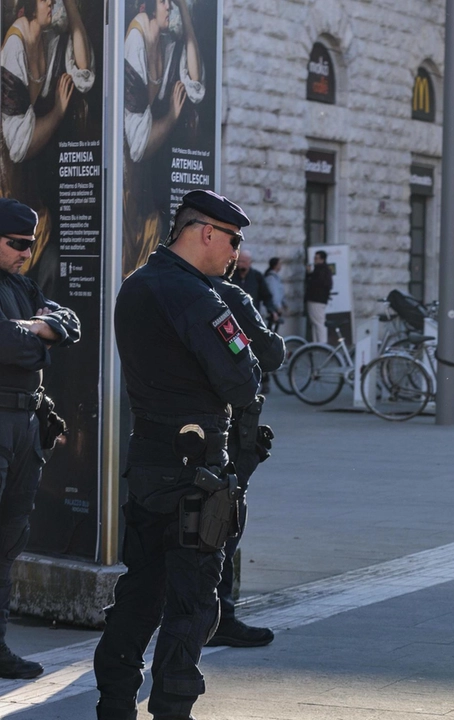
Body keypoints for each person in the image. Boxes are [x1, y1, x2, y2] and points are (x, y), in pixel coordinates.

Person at [94, 190, 261, 720]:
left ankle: (115, 702)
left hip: (149, 459)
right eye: (232, 240)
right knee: (192, 601)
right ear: (205, 232)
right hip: (199, 470)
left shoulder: (137, 284)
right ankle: (172, 709)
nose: (235, 252)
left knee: (140, 590)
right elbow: (242, 380)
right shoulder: (198, 296)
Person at [0, 198, 79, 679]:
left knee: (9, 544)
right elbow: (9, 345)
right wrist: (37, 335)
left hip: (26, 427)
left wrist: (36, 330)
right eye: (16, 244)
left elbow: (68, 323)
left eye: (30, 245)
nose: (27, 252)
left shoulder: (21, 284)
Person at [204, 259, 283, 648]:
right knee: (223, 523)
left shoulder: (160, 289)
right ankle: (219, 616)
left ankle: (200, 615)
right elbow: (270, 352)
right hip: (228, 430)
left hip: (176, 430)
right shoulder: (229, 295)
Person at [0, 0, 96, 293]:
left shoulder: (49, 37)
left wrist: (73, 9)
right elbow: (17, 146)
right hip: (7, 172)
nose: (51, 2)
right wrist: (57, 112)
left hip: (31, 168)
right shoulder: (15, 47)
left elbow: (83, 71)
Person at [121, 0, 205, 275]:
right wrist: (170, 117)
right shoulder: (136, 40)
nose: (168, 7)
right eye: (164, 2)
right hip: (128, 178)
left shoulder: (167, 42)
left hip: (150, 179)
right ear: (146, 5)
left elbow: (194, 82)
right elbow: (137, 147)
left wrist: (187, 16)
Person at [230, 249, 272, 320]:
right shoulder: (231, 276)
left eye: (243, 262)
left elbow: (266, 296)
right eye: (238, 261)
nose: (240, 264)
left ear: (250, 262)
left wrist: (272, 311)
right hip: (235, 316)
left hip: (252, 316)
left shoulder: (257, 276)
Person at [303, 250, 331, 343]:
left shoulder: (321, 270)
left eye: (316, 258)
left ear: (321, 259)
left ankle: (321, 344)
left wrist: (309, 275)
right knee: (316, 323)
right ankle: (317, 343)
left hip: (316, 300)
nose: (314, 260)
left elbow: (315, 284)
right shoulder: (323, 269)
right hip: (318, 299)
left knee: (318, 323)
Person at [263, 257, 286, 331]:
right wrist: (278, 306)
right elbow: (274, 293)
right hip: (273, 308)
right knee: (272, 329)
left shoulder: (276, 277)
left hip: (275, 307)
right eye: (279, 264)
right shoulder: (271, 278)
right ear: (275, 265)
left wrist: (283, 303)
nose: (281, 266)